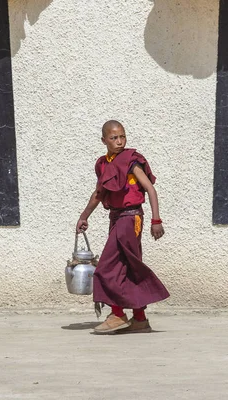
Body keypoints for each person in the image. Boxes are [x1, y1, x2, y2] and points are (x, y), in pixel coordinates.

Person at [76, 120, 170, 334]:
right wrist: (84, 217)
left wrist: (156, 220)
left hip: (131, 218)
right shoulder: (102, 164)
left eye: (122, 137)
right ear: (104, 140)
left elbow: (150, 189)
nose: (119, 142)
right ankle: (139, 318)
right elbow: (99, 194)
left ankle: (117, 314)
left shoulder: (131, 162)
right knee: (128, 267)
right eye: (113, 138)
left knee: (106, 267)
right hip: (116, 218)